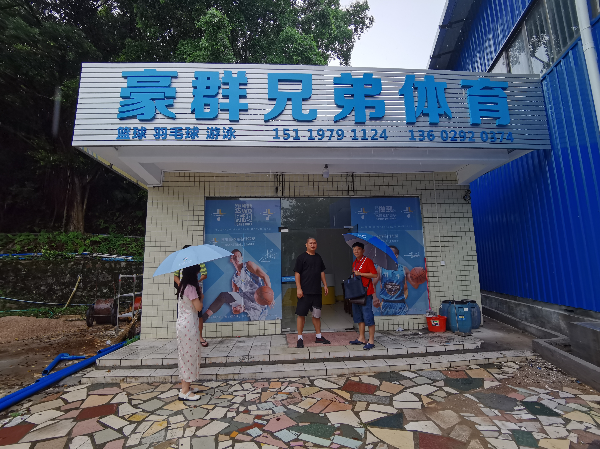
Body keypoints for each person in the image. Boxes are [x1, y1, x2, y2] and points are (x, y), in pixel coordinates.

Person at [201, 249, 273, 322]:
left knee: (257, 326)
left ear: (242, 258)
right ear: (231, 260)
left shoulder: (248, 265)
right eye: (234, 257)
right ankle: (204, 317)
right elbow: (235, 305)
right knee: (223, 296)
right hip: (247, 300)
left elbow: (265, 277)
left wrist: (270, 296)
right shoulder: (234, 279)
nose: (237, 258)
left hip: (259, 301)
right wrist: (237, 309)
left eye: (238, 256)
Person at [294, 237, 330, 348]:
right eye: (310, 243)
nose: (312, 245)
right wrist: (298, 288)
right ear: (306, 245)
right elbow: (297, 273)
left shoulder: (318, 257)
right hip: (304, 292)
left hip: (316, 292)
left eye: (314, 243)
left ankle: (318, 336)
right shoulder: (301, 258)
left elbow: (322, 272)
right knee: (301, 314)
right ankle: (300, 338)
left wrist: (325, 285)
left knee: (316, 315)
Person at [175, 264, 204, 401]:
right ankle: (185, 391)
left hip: (182, 325)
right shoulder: (191, 288)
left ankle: (186, 386)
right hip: (189, 326)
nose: (198, 276)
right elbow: (198, 308)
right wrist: (201, 297)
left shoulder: (182, 286)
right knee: (189, 356)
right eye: (197, 274)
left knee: (185, 355)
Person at [372, 245, 424, 315]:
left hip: (400, 304)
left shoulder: (404, 269)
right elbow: (372, 284)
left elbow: (415, 285)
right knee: (387, 322)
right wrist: (374, 298)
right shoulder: (380, 269)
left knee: (402, 322)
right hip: (386, 304)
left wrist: (419, 279)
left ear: (396, 256)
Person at [174, 245, 209, 347]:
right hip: (184, 290)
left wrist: (195, 283)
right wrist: (183, 286)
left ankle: (199, 336)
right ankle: (184, 337)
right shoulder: (180, 261)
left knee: (199, 314)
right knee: (184, 312)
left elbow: (204, 274)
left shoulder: (198, 260)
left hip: (194, 289)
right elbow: (175, 276)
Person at [348, 242, 378, 350]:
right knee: (359, 316)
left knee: (368, 316)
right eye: (354, 249)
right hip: (356, 293)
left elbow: (374, 274)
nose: (356, 251)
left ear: (363, 250)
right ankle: (361, 338)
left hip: (366, 293)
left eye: (358, 249)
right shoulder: (355, 263)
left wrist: (361, 274)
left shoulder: (368, 261)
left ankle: (371, 340)